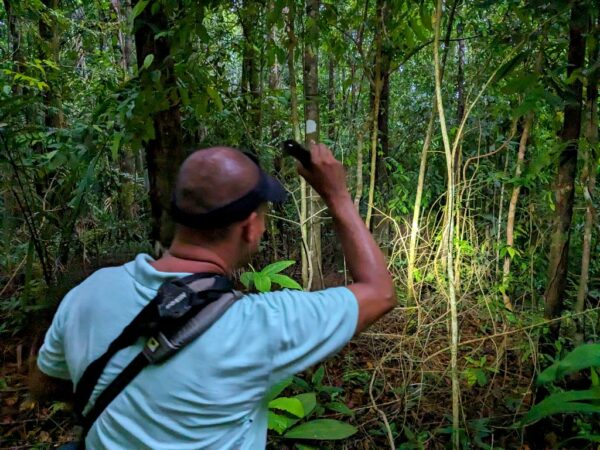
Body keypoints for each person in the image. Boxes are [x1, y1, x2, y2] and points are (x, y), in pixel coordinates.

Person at [30, 143, 396, 449]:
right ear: (250, 228)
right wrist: (337, 195)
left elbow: (47, 382)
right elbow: (379, 292)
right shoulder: (260, 325)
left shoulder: (90, 291)